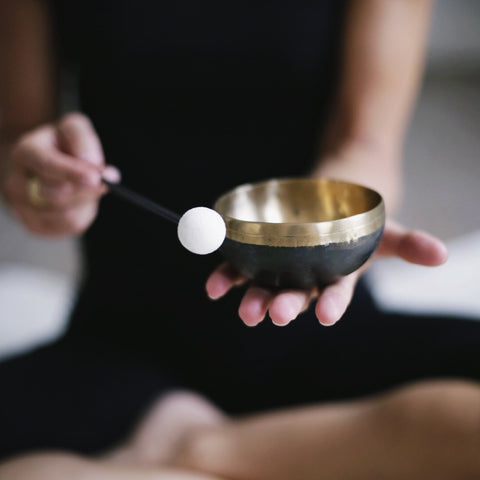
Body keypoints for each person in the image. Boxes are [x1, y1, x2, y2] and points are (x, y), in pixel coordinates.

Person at [0, 0, 479, 478]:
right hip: (119, 347)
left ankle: (198, 449)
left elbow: (365, 146)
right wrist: (40, 181)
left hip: (316, 329)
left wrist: (337, 229)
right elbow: (15, 139)